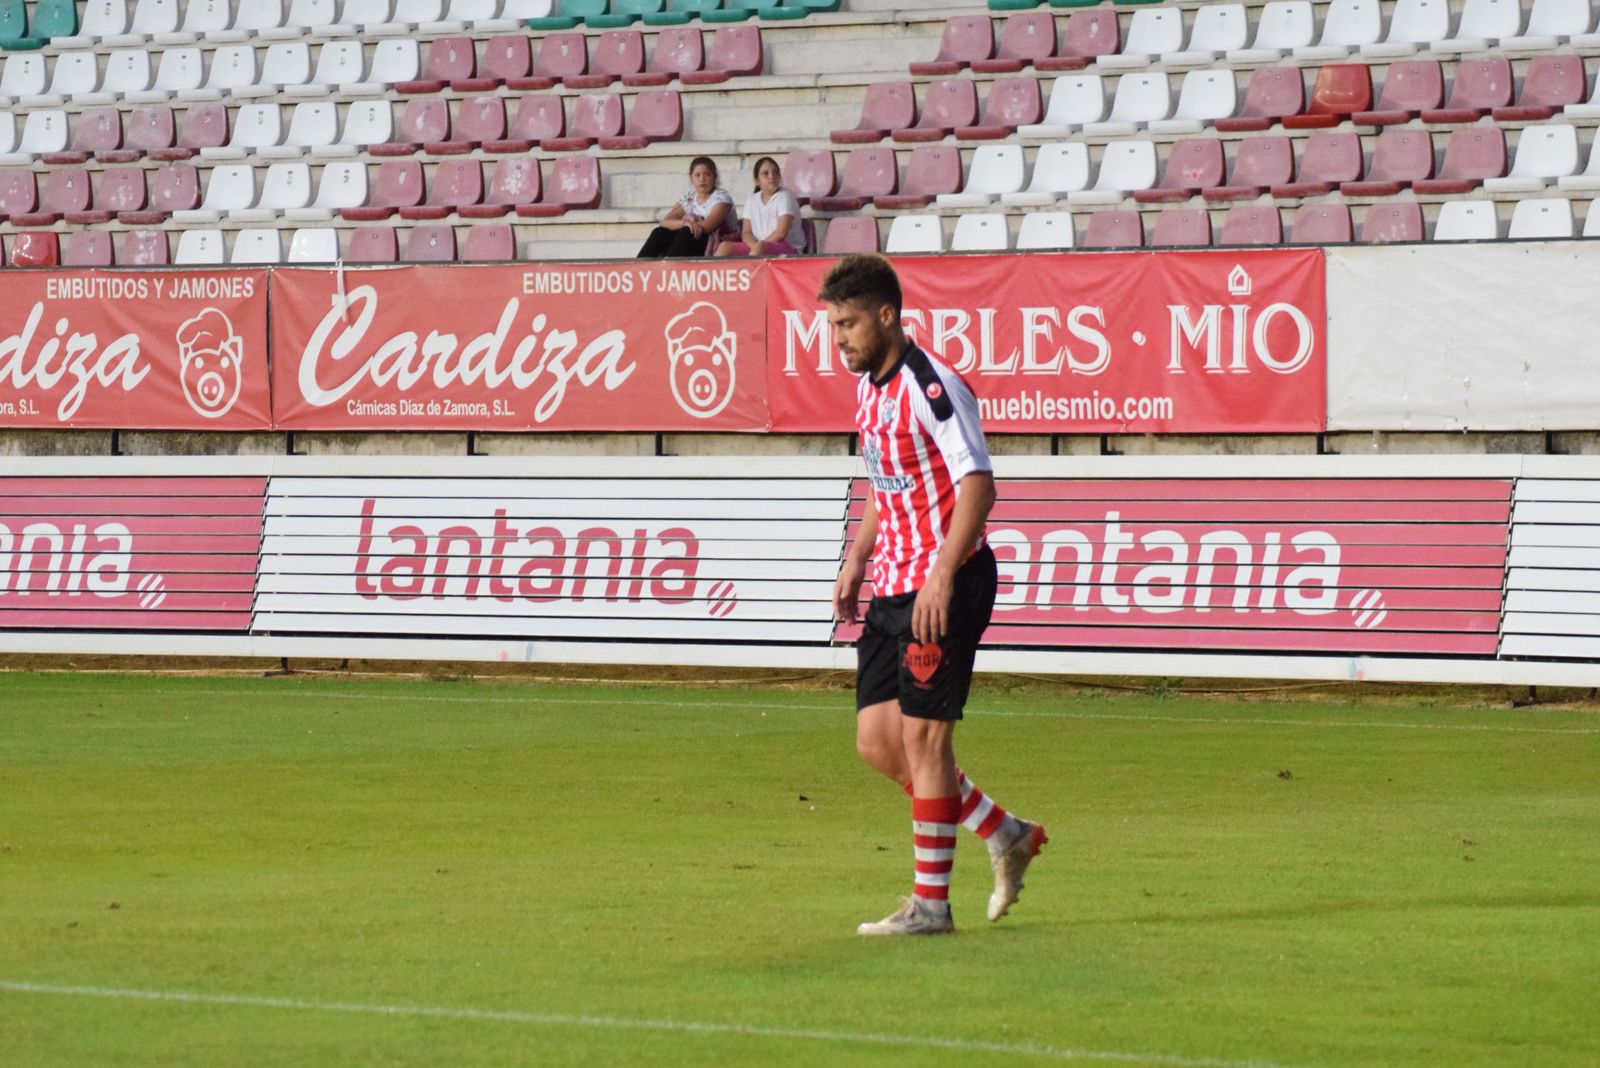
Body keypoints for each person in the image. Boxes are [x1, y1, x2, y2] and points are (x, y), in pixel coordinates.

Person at [825, 253, 1047, 937]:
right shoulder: (869, 387)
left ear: (888, 315)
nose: (840, 340)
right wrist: (857, 559)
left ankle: (930, 906)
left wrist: (943, 575)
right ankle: (1003, 831)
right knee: (878, 744)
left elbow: (978, 483)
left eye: (850, 324)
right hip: (893, 582)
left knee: (924, 741)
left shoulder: (933, 387)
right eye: (834, 326)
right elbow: (883, 482)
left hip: (942, 583)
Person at [637, 156, 734, 259]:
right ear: (691, 178)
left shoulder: (722, 199)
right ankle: (639, 267)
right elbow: (665, 222)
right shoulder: (689, 199)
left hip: (717, 244)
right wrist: (684, 223)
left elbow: (707, 226)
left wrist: (688, 225)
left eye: (707, 174)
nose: (702, 179)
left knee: (688, 231)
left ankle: (671, 267)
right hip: (693, 241)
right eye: (697, 175)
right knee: (660, 232)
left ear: (715, 177)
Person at [714, 156, 806, 257]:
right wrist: (754, 246)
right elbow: (746, 232)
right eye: (765, 173)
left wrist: (759, 247)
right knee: (725, 247)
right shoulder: (752, 199)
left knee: (760, 247)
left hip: (789, 248)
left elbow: (780, 233)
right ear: (757, 181)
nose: (771, 176)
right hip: (759, 246)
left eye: (775, 172)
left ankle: (750, 272)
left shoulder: (785, 196)